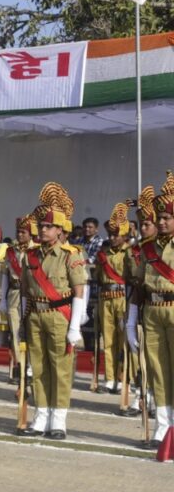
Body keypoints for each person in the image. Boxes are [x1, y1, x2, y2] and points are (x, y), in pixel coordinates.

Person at [19, 182, 87, 440]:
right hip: (36, 314)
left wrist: (75, 327)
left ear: (60, 230)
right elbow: (26, 290)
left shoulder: (71, 254)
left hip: (60, 316)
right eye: (41, 226)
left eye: (48, 226)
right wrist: (22, 321)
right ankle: (41, 417)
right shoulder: (31, 255)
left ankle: (58, 420)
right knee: (38, 367)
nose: (43, 230)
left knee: (60, 367)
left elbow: (79, 290)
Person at [128, 174, 174, 448]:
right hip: (152, 311)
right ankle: (163, 427)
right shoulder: (147, 249)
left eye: (166, 218)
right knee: (157, 371)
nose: (160, 222)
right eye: (159, 217)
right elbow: (138, 286)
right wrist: (131, 321)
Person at [96, 204, 133, 396]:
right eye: (110, 234)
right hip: (105, 299)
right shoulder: (103, 254)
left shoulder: (130, 252)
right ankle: (109, 379)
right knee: (107, 341)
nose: (111, 238)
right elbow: (97, 277)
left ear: (125, 235)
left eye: (115, 234)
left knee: (123, 341)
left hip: (123, 299)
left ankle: (122, 377)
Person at [1, 215, 38, 385]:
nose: (20, 235)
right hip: (14, 293)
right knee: (15, 332)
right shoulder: (10, 251)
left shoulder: (37, 249)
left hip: (30, 294)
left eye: (24, 232)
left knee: (30, 331)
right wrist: (2, 299)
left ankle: (31, 365)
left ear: (31, 233)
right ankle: (19, 364)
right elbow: (5, 276)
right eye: (18, 231)